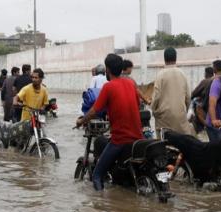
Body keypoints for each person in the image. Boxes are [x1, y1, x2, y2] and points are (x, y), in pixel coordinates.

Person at [76, 54, 143, 191]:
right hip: (138, 138)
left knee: (96, 175)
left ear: (107, 69)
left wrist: (81, 121)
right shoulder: (130, 84)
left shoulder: (108, 87)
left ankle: (99, 206)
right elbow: (135, 105)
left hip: (120, 140)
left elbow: (94, 111)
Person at [151, 47, 193, 137]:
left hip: (164, 118)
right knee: (183, 143)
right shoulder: (182, 74)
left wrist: (154, 111)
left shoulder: (160, 75)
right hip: (180, 118)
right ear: (175, 58)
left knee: (163, 144)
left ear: (164, 58)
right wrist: (183, 110)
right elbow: (188, 97)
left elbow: (156, 97)